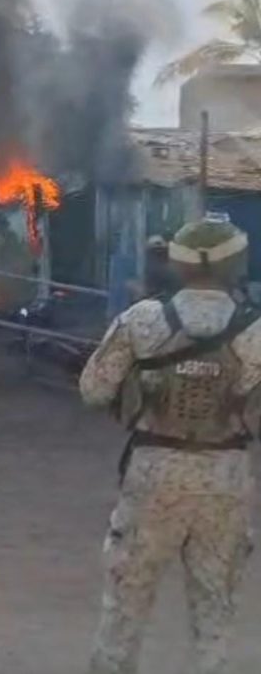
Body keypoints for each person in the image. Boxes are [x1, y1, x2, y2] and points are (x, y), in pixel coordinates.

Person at [80, 213, 261, 674]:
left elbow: (94, 390)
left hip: (152, 473)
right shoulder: (254, 330)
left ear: (178, 264)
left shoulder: (142, 320)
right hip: (226, 475)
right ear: (235, 263)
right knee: (215, 613)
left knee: (123, 610)